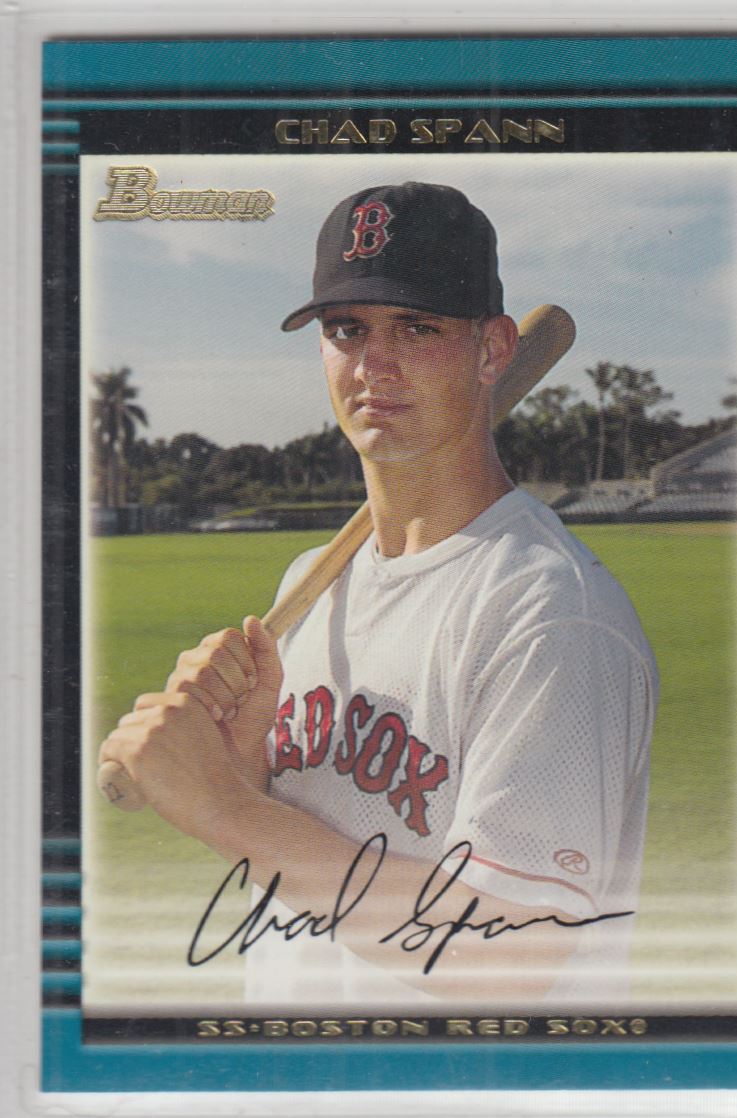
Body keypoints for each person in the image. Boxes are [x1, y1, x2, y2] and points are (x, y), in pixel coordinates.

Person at [101, 181, 658, 1010]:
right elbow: (309, 859)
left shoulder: (548, 612)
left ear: (493, 350)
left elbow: (512, 958)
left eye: (417, 327)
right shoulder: (313, 584)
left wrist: (220, 810)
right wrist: (238, 766)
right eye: (346, 329)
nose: (373, 365)